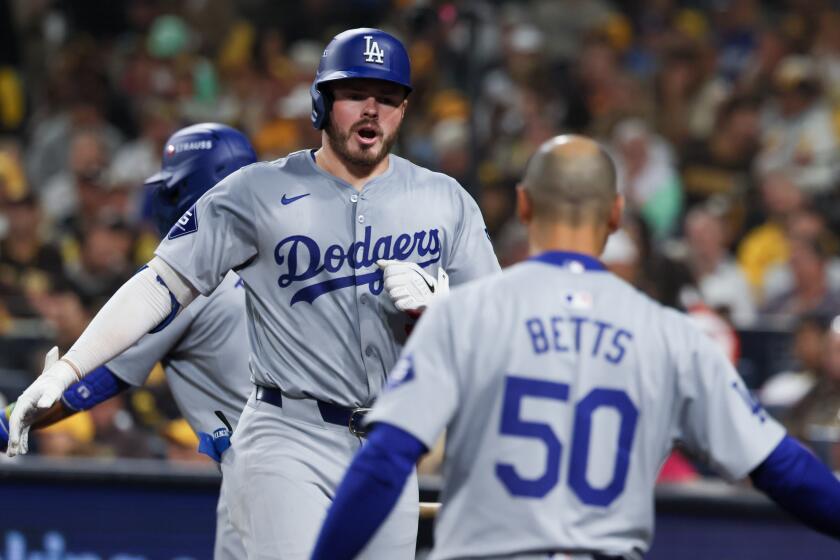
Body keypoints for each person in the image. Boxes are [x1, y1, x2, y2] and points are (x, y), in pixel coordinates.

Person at [7, 28, 500, 559]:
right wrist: (68, 370)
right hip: (290, 435)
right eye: (355, 93)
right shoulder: (255, 191)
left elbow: (499, 332)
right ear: (322, 101)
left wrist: (445, 312)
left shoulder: (445, 200)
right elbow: (159, 284)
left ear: (404, 109)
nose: (371, 111)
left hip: (388, 441)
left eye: (387, 98)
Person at [311, 135, 840, 560]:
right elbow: (782, 468)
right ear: (615, 213)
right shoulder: (671, 333)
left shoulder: (465, 313)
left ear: (523, 204)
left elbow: (385, 462)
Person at [1, 122, 256, 558]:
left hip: (264, 484)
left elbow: (86, 386)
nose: (164, 204)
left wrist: (6, 422)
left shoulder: (192, 279)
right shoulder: (283, 261)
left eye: (174, 191)